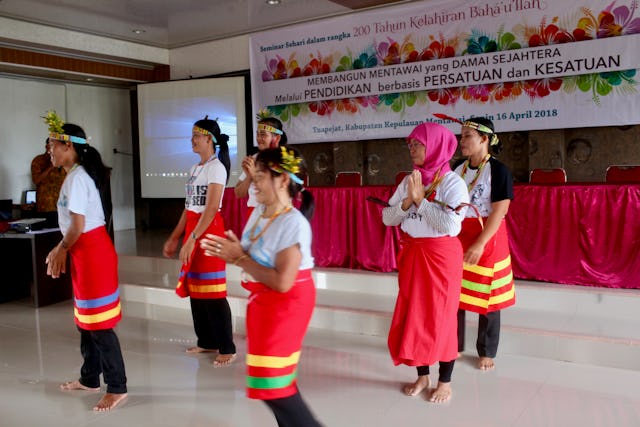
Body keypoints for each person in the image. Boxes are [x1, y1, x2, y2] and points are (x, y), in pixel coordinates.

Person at [201, 146, 322, 426]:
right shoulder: (259, 214)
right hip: (264, 302)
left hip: (287, 304)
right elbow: (250, 256)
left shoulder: (294, 223)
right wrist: (235, 249)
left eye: (259, 176)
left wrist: (240, 257)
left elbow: (282, 281)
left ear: (281, 180)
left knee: (272, 383)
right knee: (274, 381)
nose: (253, 182)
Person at [43, 112, 127, 411]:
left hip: (91, 253)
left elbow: (77, 227)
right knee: (86, 322)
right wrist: (63, 248)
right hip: (84, 251)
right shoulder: (73, 176)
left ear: (68, 147)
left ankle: (117, 386)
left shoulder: (78, 178)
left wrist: (60, 249)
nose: (49, 150)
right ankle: (90, 378)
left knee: (99, 325)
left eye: (52, 144)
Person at [382, 122, 469, 404]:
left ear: (435, 146)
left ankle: (445, 380)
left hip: (441, 258)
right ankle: (422, 374)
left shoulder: (454, 183)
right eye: (410, 145)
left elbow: (451, 226)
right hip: (413, 255)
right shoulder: (411, 179)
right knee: (414, 315)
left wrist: (421, 201)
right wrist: (407, 202)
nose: (412, 150)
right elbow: (387, 218)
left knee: (442, 317)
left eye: (417, 144)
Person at [162, 116, 236, 366]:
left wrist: (193, 239)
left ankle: (227, 346)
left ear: (209, 139)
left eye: (196, 135)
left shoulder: (217, 168)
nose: (192, 140)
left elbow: (212, 206)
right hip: (194, 229)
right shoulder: (195, 169)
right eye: (192, 135)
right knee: (197, 290)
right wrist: (175, 237)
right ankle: (207, 341)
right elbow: (189, 207)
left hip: (209, 231)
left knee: (213, 292)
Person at [453, 117, 516, 371]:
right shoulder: (457, 167)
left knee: (487, 295)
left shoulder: (499, 171)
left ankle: (486, 350)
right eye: (461, 135)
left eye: (467, 135)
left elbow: (500, 211)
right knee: (455, 292)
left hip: (487, 234)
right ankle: (453, 344)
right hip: (458, 233)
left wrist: (480, 243)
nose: (462, 141)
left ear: (484, 139)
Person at [234, 114, 287, 218]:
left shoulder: (285, 160)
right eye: (257, 134)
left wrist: (254, 174)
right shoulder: (254, 158)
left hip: (275, 213)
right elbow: (238, 194)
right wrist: (249, 177)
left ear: (277, 137)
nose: (258, 138)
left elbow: (275, 192)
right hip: (254, 214)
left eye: (263, 134)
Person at [31, 137, 66, 226]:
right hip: (45, 207)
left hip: (62, 206)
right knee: (46, 236)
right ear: (47, 146)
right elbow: (36, 180)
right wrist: (50, 167)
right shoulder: (38, 160)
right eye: (52, 146)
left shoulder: (63, 161)